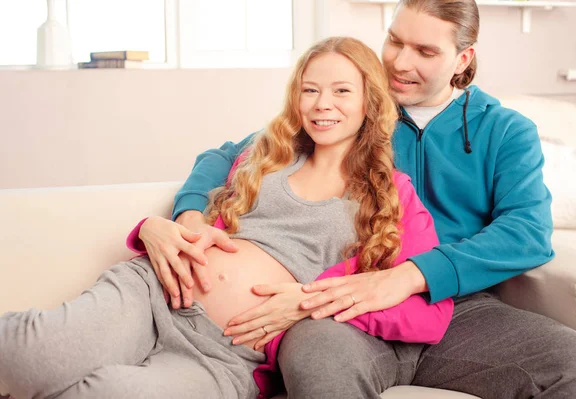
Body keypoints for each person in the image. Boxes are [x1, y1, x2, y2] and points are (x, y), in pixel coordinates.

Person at [143, 0, 576, 398]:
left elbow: (526, 232)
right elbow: (227, 155)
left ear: (463, 59)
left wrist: (410, 276)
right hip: (338, 306)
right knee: (318, 359)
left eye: (425, 51)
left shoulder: (505, 130)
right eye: (395, 41)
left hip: (459, 309)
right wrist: (189, 218)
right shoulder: (349, 106)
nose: (401, 62)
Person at [0, 37, 454, 399]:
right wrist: (160, 226)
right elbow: (208, 165)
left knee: (108, 394)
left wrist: (312, 302)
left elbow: (427, 315)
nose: (321, 104)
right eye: (310, 89)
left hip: (225, 357)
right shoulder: (268, 152)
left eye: (341, 91)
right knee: (28, 353)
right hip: (153, 295)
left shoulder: (390, 196)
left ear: (369, 102)